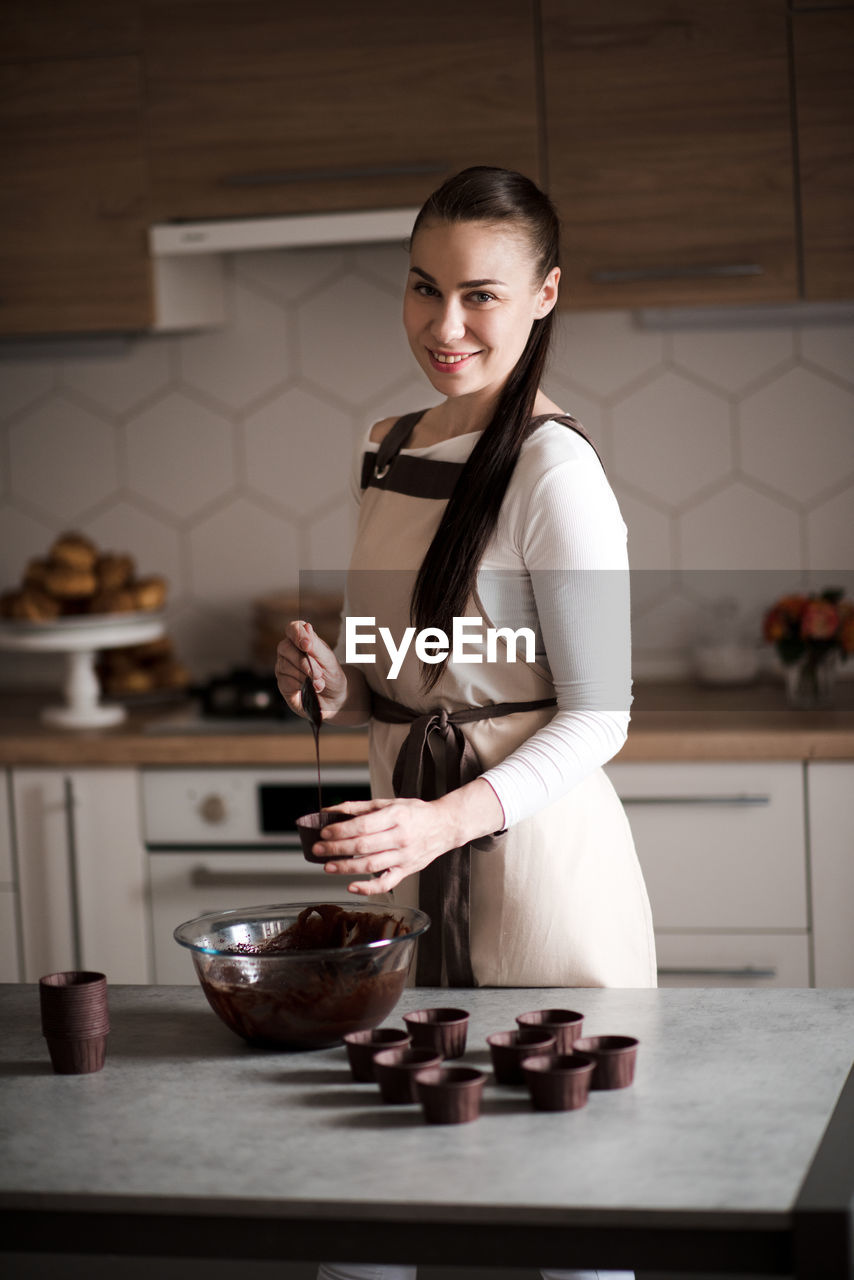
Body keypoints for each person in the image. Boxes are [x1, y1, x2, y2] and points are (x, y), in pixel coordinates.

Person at [276, 166, 653, 1280]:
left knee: (568, 1205)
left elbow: (600, 715)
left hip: (531, 867)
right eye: (421, 288)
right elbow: (426, 659)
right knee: (378, 1190)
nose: (443, 325)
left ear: (542, 294)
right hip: (405, 855)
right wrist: (334, 682)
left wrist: (443, 822)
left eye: (479, 294)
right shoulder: (388, 442)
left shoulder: (554, 468)